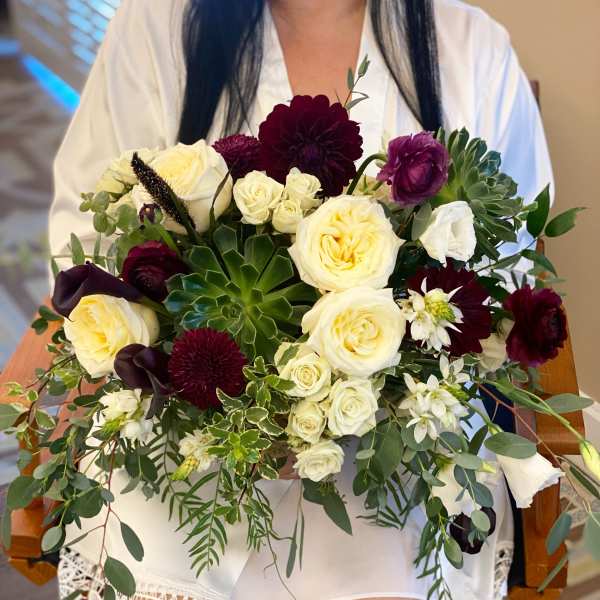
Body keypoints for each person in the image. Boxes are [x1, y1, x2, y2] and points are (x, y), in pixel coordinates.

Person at [50, 1, 553, 599]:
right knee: (154, 539)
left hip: (404, 441)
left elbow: (506, 268)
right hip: (184, 426)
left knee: (392, 561)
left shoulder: (473, 46)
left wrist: (358, 397)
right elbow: (89, 240)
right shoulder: (156, 26)